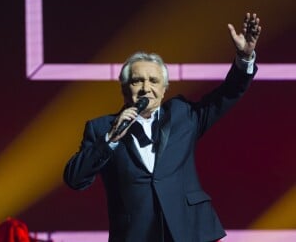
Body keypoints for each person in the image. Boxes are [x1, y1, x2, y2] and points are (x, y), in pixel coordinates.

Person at [64, 13, 261, 242]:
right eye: (137, 81)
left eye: (154, 81)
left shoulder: (182, 114)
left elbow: (227, 94)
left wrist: (244, 57)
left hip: (189, 232)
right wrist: (110, 139)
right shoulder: (101, 129)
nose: (146, 88)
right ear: (124, 89)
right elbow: (75, 179)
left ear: (165, 88)